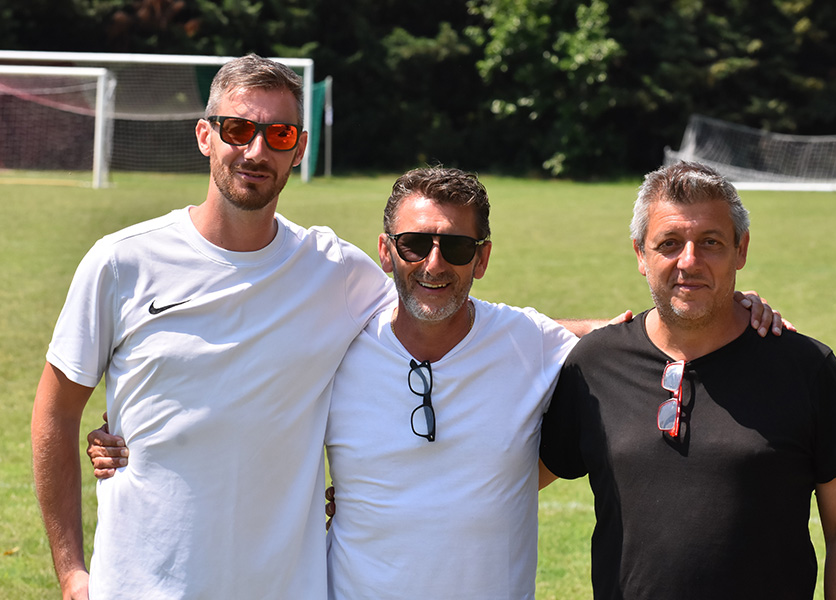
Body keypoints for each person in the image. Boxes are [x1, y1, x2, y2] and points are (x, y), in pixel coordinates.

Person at [85, 167, 785, 599]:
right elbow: (233, 399)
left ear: (483, 258)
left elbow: (636, 334)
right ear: (386, 251)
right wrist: (132, 441)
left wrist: (736, 308)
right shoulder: (338, 340)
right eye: (416, 244)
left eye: (455, 247)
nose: (433, 264)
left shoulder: (528, 341)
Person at [31, 54, 395, 600]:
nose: (256, 151)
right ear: (205, 136)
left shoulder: (336, 272)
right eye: (239, 129)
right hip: (140, 585)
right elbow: (55, 413)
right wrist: (70, 572)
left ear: (299, 149)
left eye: (279, 134)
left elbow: (435, 335)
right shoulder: (121, 261)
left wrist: (365, 486)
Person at [539, 161, 836, 599]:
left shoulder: (806, 367)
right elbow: (507, 481)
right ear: (640, 254)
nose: (689, 261)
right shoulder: (595, 365)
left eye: (711, 242)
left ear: (741, 249)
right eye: (669, 243)